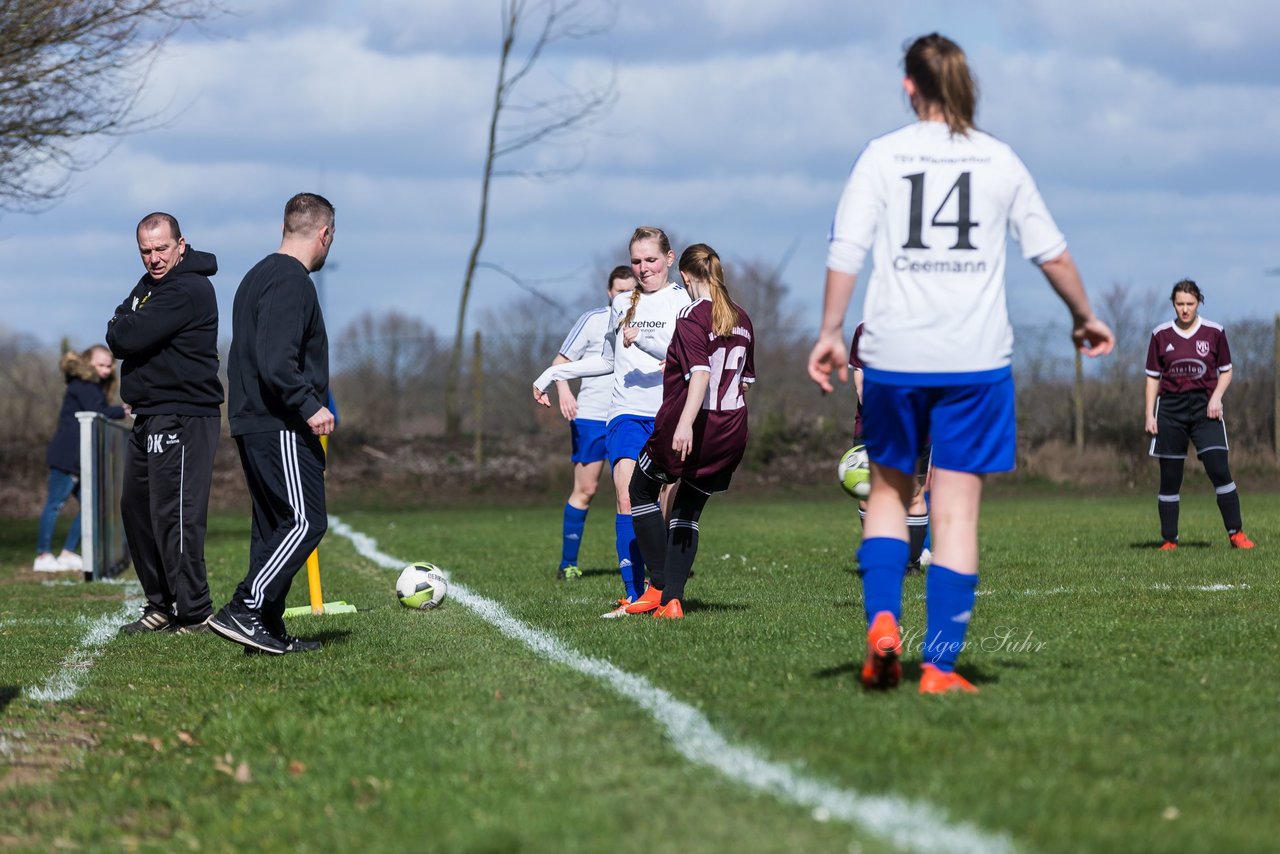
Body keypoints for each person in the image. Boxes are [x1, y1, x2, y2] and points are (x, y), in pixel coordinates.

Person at [807, 34, 1115, 694]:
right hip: (975, 361)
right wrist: (1084, 316)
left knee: (888, 497)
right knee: (954, 515)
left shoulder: (881, 157)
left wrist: (832, 330)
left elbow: (845, 252)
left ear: (909, 86)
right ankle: (939, 666)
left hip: (893, 357)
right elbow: (1051, 253)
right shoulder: (999, 159)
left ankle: (884, 625)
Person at [533, 226, 690, 616]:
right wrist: (555, 375)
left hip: (669, 412)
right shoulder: (622, 305)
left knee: (664, 505)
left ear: (669, 259)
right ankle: (634, 596)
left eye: (651, 259)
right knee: (626, 496)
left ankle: (663, 590)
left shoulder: (683, 302)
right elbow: (606, 360)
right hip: (625, 414)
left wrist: (654, 346)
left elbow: (689, 359)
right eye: (636, 261)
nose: (643, 268)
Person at [208, 192, 336, 656]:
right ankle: (245, 607)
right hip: (278, 419)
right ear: (324, 234)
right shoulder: (291, 280)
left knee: (273, 525)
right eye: (331, 238)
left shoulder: (257, 275)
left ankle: (263, 628)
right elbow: (275, 359)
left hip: (254, 419)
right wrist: (309, 405)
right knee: (305, 521)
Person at [620, 243, 755, 619]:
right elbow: (743, 383)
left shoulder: (692, 314)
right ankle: (673, 601)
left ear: (684, 275)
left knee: (640, 490)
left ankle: (658, 586)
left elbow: (700, 373)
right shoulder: (742, 317)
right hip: (732, 430)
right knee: (687, 511)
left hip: (694, 425)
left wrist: (683, 424)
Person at [107, 212, 222, 634]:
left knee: (174, 514)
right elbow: (120, 327)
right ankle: (160, 605)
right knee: (135, 508)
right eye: (145, 251)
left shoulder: (188, 288)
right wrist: (124, 325)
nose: (153, 258)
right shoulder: (149, 287)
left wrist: (124, 325)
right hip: (148, 414)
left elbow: (126, 336)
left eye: (161, 248)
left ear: (180, 244)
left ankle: (193, 612)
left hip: (183, 414)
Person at [1144, 279, 1254, 551]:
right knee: (1170, 476)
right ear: (1173, 304)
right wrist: (1149, 414)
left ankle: (1236, 534)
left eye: (1189, 304)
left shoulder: (1214, 332)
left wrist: (1216, 397)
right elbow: (1152, 379)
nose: (1184, 309)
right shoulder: (1160, 335)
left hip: (1206, 408)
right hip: (1170, 409)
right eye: (1180, 304)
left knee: (1219, 468)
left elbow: (1226, 370)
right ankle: (1170, 540)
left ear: (1199, 303)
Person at [550, 266, 639, 580]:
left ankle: (643, 565)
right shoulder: (592, 320)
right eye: (619, 291)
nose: (624, 297)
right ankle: (568, 564)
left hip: (629, 416)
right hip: (590, 417)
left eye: (631, 291)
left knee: (632, 494)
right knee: (586, 489)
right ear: (609, 292)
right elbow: (561, 363)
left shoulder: (646, 320)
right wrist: (564, 392)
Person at [34, 346, 128, 573]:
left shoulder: (93, 386)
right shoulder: (83, 385)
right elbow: (98, 411)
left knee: (90, 505)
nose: (106, 370)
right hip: (67, 457)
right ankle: (43, 555)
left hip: (79, 459)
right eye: (101, 365)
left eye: (109, 366)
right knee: (55, 504)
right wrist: (124, 409)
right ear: (88, 363)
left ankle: (67, 553)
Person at [848, 321, 931, 574]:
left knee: (914, 493)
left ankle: (911, 563)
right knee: (866, 491)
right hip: (872, 424)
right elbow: (859, 371)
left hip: (915, 423)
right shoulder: (866, 328)